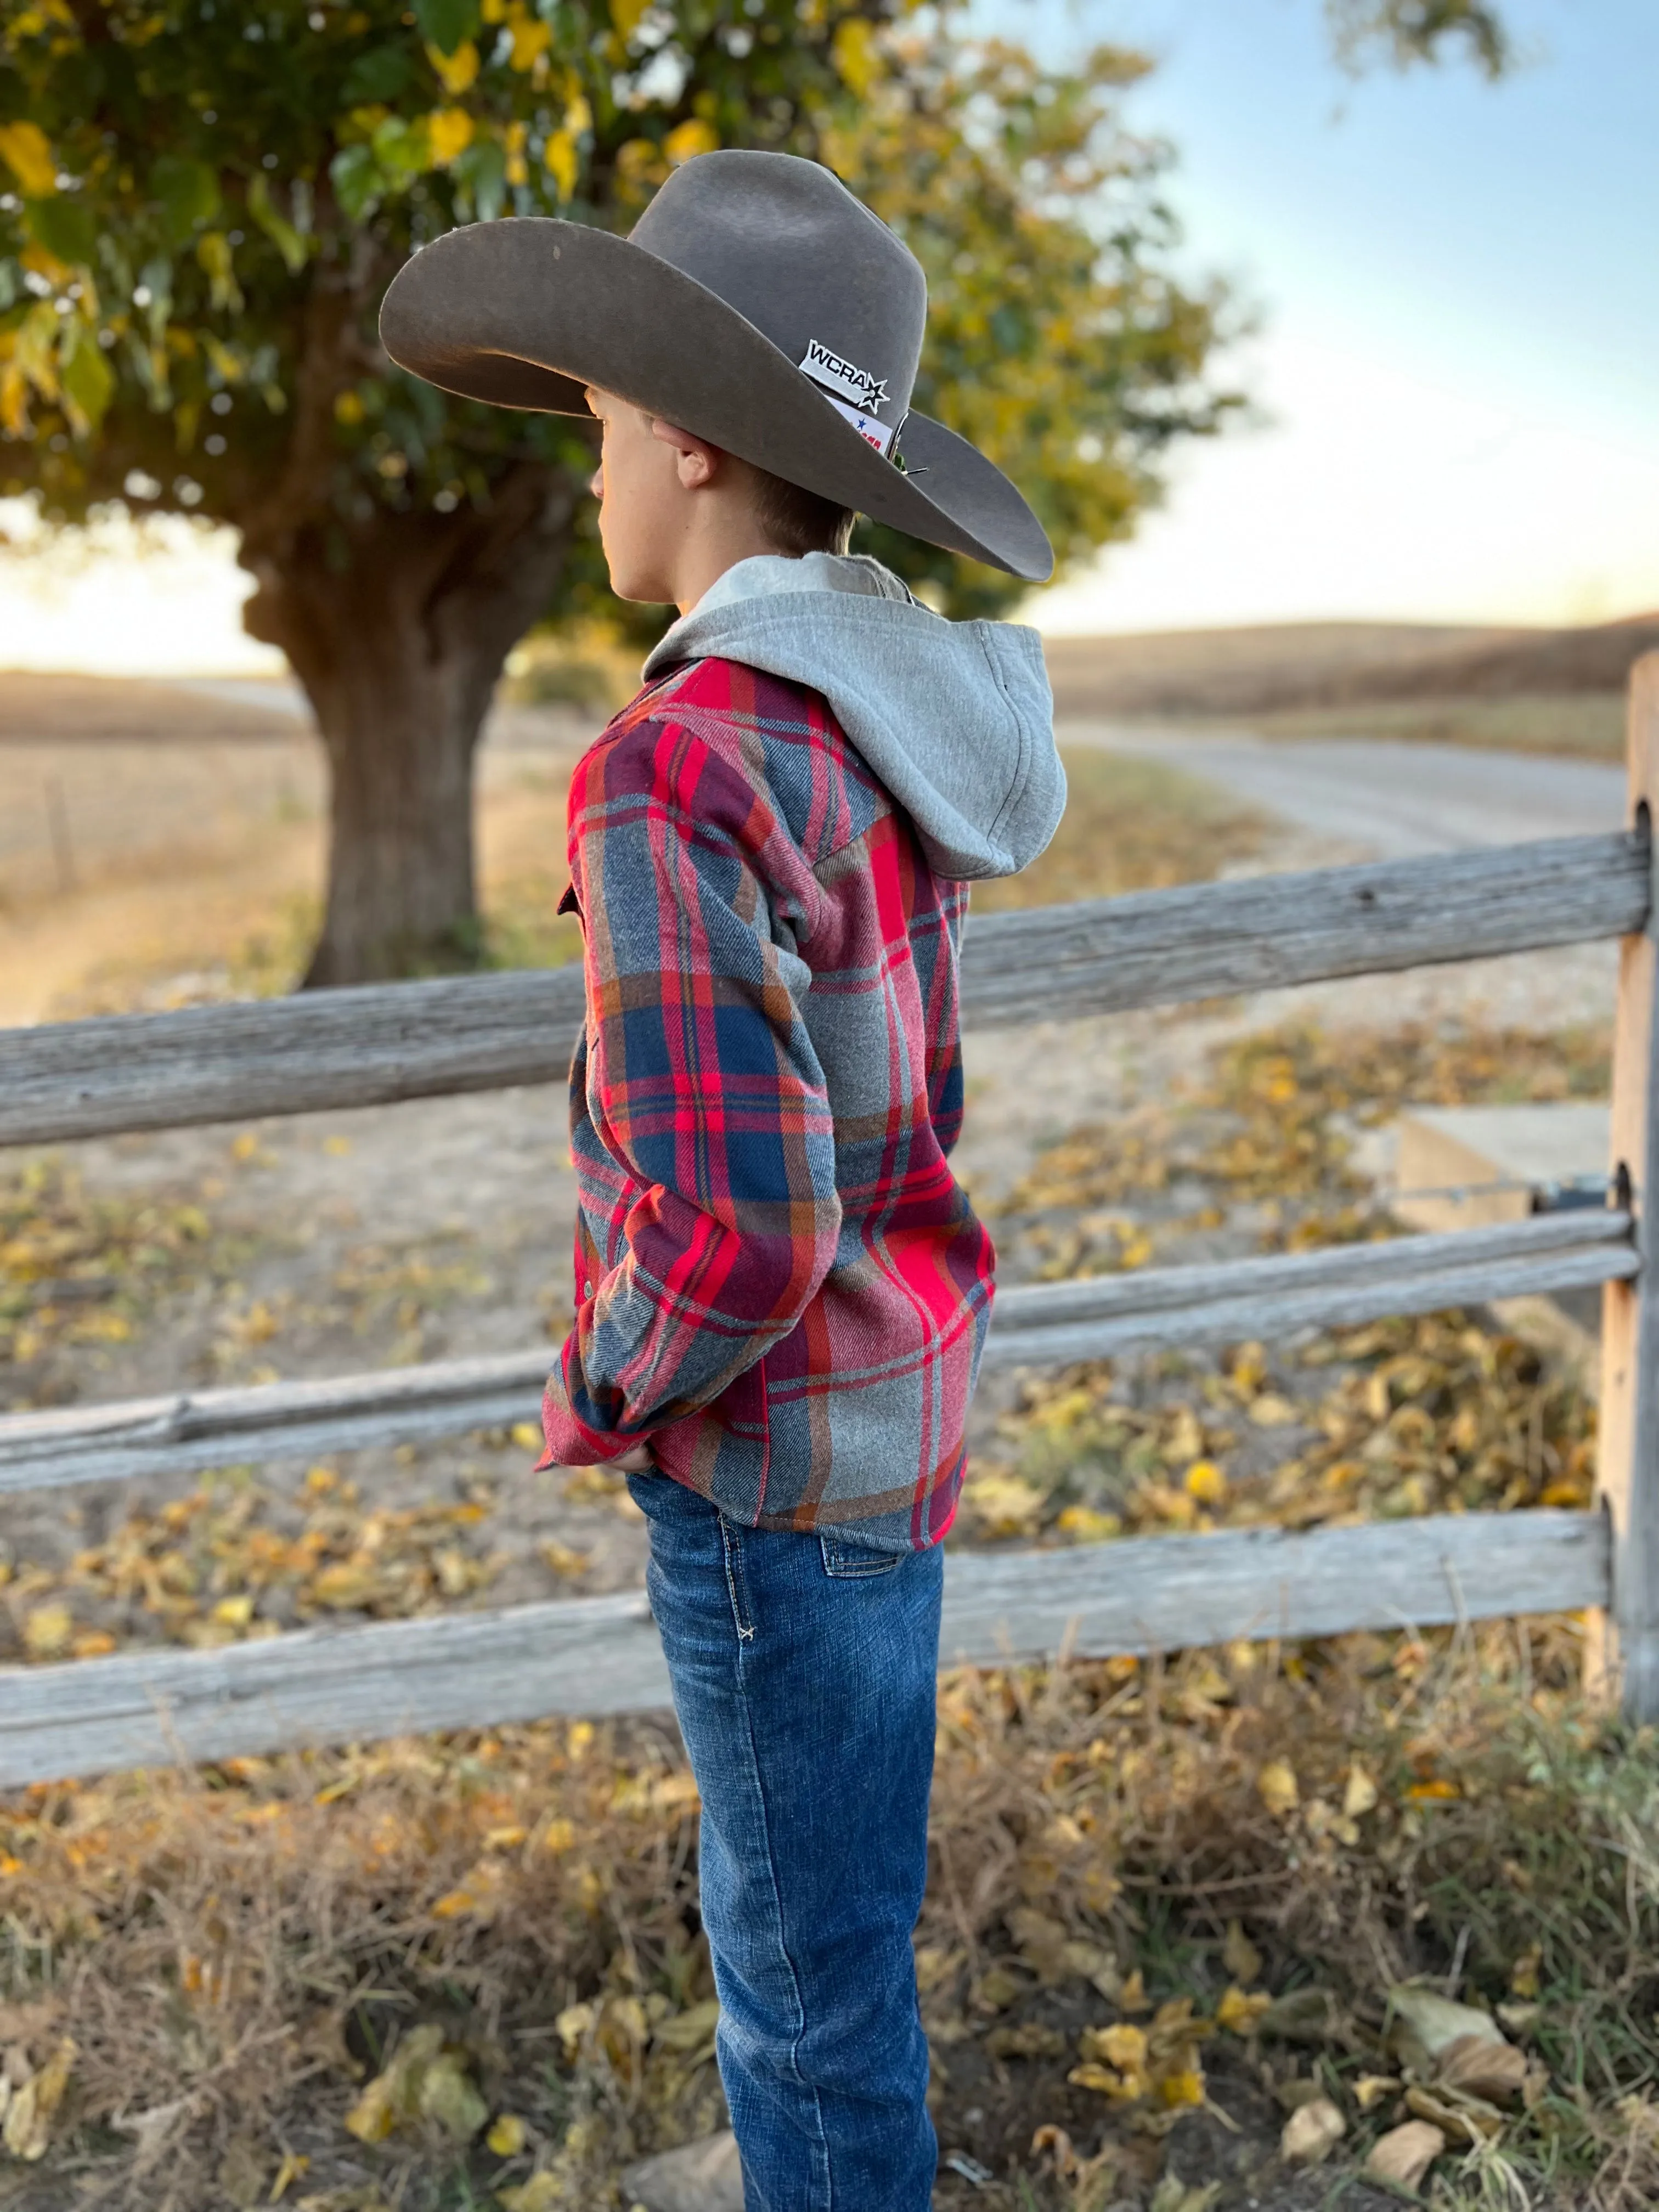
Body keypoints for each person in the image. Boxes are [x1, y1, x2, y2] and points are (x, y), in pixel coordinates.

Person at [380, 149, 1063, 2212]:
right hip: (899, 1428)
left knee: (798, 1986)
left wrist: (602, 1384)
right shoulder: (872, 721)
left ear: (686, 443)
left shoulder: (677, 759)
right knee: (837, 1941)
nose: (586, 476)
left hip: (762, 1471)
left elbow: (742, 1214)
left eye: (596, 430)